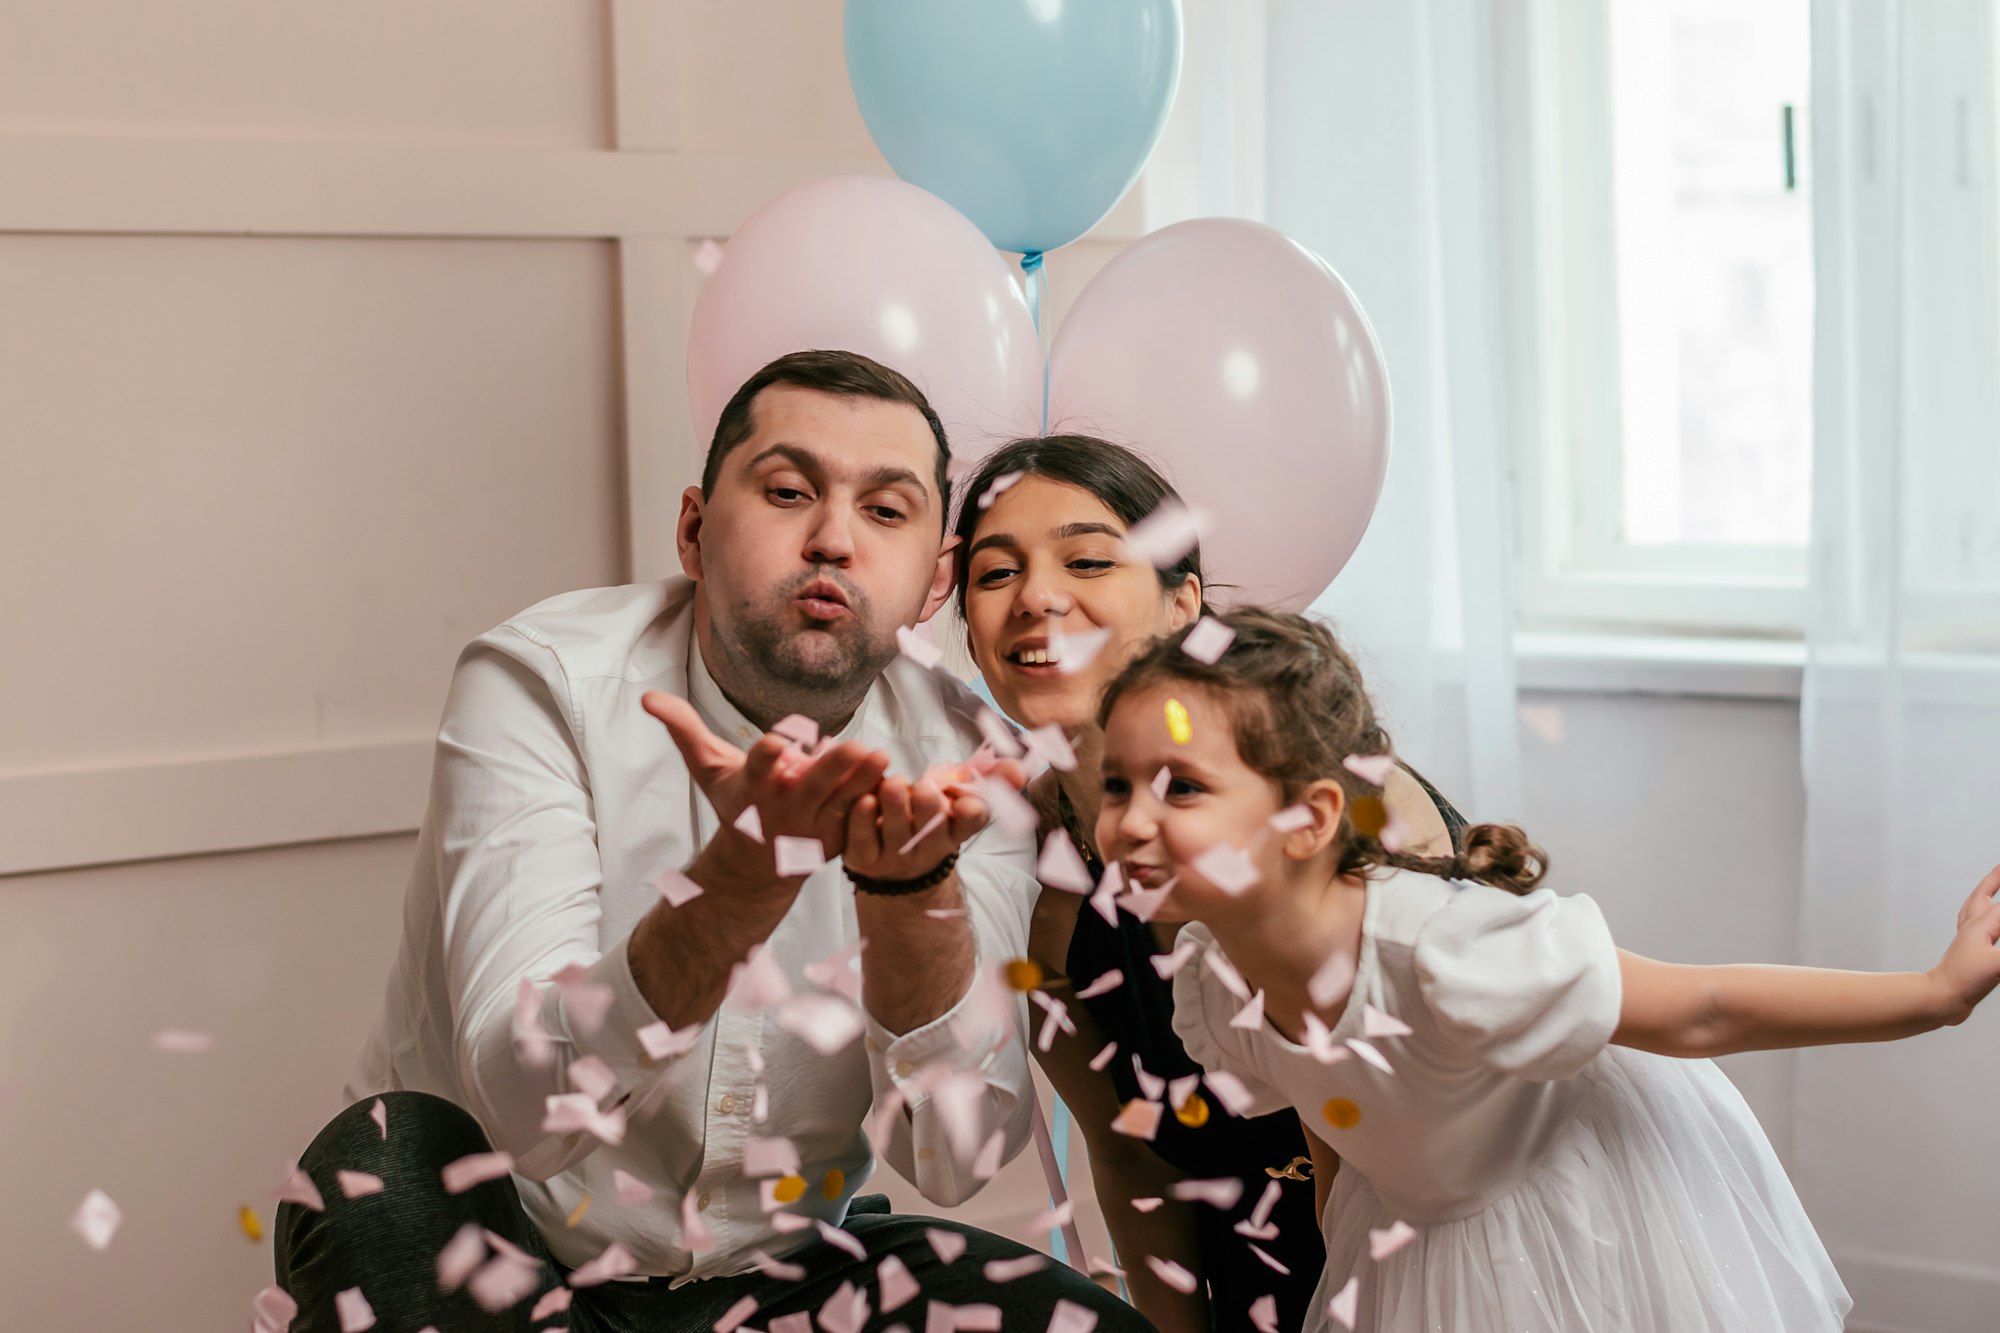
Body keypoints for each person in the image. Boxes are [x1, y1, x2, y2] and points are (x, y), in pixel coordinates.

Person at [272, 352, 1157, 1332]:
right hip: (500, 1247)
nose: (831, 539)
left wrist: (913, 894)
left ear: (930, 585)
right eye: (787, 492)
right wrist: (737, 884)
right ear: (693, 530)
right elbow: (526, 1110)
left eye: (886, 510)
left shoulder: (968, 766)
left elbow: (954, 1156)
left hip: (782, 1280)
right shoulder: (540, 683)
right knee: (381, 1153)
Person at [1098, 605, 2000, 1332]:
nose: (1129, 821)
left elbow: (1703, 1007)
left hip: (1581, 1197)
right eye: (1116, 783)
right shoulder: (1212, 981)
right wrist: (1342, 1269)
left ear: (1310, 815)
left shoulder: (1446, 948)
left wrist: (1936, 993)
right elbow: (1333, 1118)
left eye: (1180, 785)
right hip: (1420, 1218)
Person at [951, 436, 1463, 1332]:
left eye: (1088, 559)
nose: (1036, 597)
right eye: (995, 574)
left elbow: (1428, 1139)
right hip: (1254, 1288)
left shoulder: (1337, 804)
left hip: (1439, 1269)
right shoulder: (1023, 871)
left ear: (1183, 602)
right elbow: (1132, 1162)